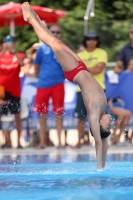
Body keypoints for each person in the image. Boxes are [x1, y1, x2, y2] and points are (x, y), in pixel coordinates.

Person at [22, 2, 112, 169]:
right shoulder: (104, 110)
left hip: (74, 72)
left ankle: (32, 20)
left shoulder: (94, 114)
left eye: (108, 125)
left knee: (54, 44)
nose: (111, 122)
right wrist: (105, 165)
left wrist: (99, 168)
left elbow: (100, 142)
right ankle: (39, 23)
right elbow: (106, 142)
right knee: (57, 42)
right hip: (82, 68)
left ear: (100, 125)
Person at [33, 24, 65, 149]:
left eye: (57, 32)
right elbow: (36, 65)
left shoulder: (62, 48)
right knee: (42, 114)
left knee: (58, 113)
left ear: (60, 34)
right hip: (43, 85)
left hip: (58, 84)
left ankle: (60, 142)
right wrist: (39, 77)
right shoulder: (41, 49)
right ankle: (42, 141)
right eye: (53, 32)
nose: (55, 34)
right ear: (48, 33)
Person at [74, 31, 108, 148]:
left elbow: (99, 69)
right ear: (85, 40)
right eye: (89, 39)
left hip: (98, 89)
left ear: (97, 40)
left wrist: (83, 70)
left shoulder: (102, 52)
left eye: (94, 39)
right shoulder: (80, 54)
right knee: (81, 117)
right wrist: (87, 69)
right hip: (82, 90)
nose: (91, 41)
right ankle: (79, 141)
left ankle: (102, 142)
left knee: (99, 117)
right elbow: (78, 71)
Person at [0, 35, 25, 148]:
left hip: (14, 91)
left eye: (11, 41)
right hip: (2, 92)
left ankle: (19, 141)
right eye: (6, 42)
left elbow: (22, 64)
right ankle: (7, 141)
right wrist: (2, 51)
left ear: (14, 43)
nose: (8, 44)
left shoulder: (18, 55)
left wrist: (13, 52)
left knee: (17, 116)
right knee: (3, 117)